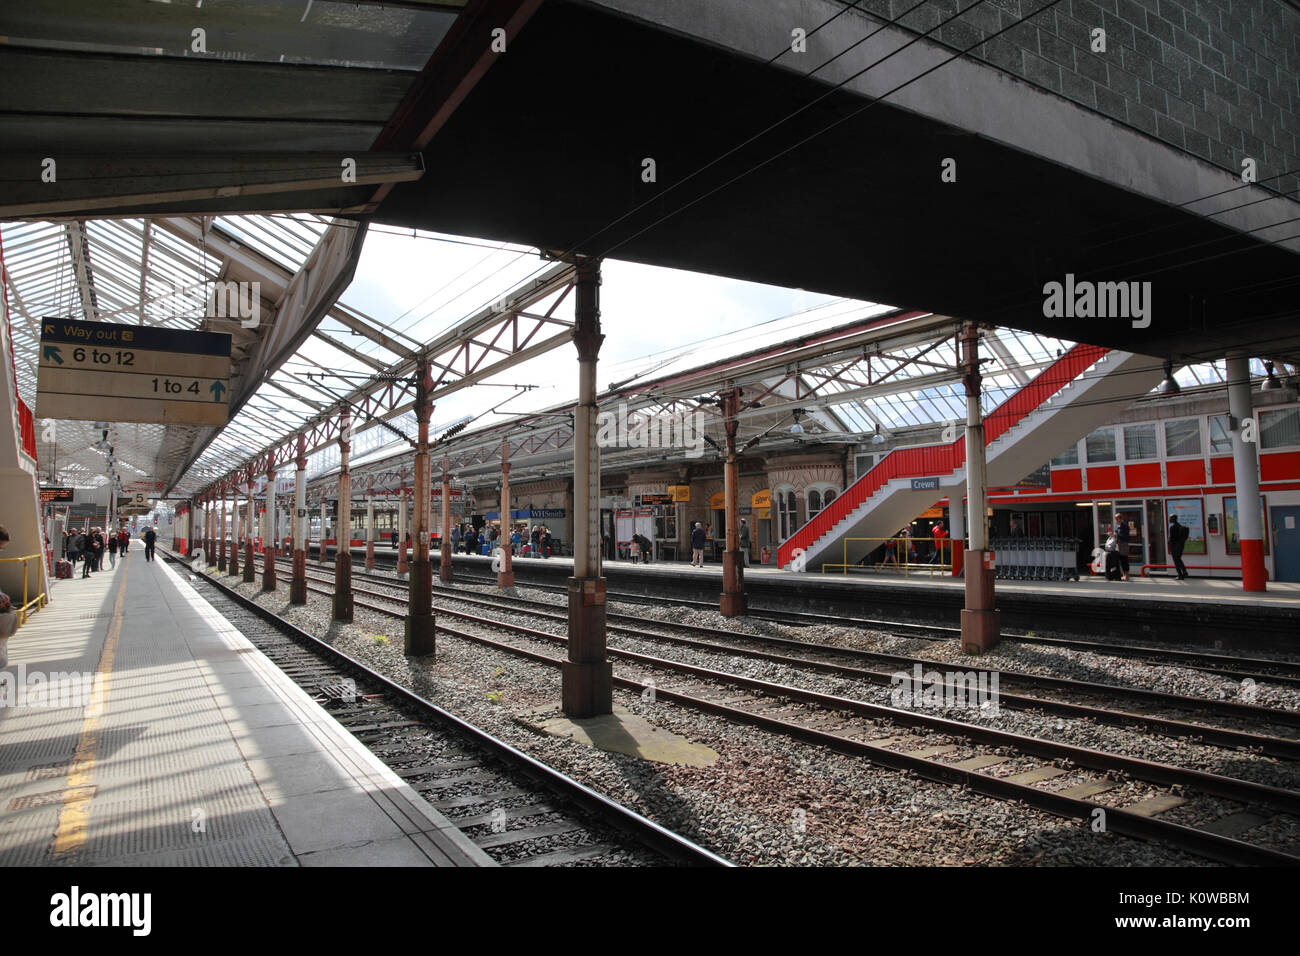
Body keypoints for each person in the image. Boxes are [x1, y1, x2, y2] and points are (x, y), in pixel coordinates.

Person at [1168, 515, 1190, 580]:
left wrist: (1169, 542)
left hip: (1174, 546)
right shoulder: (1180, 526)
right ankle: (1184, 572)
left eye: (1170, 518)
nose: (1169, 519)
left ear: (1173, 519)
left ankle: (1180, 574)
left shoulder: (1172, 527)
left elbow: (1171, 538)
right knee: (1178, 559)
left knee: (1176, 561)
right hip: (1180, 546)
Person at [1114, 515, 1131, 581]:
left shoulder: (1125, 526)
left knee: (1124, 559)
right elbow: (1116, 533)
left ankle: (1127, 575)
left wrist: (1117, 535)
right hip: (1118, 544)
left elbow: (1125, 536)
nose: (1116, 520)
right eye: (1115, 519)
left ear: (1120, 519)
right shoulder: (1117, 526)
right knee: (1121, 560)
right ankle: (1123, 574)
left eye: (1117, 519)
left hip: (1123, 544)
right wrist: (1114, 534)